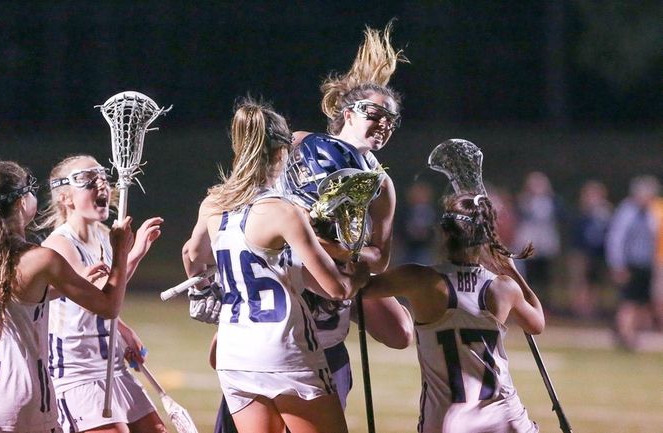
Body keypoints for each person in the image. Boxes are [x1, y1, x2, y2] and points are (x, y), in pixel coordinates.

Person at [183, 98, 369, 433]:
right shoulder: (284, 211)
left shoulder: (213, 203)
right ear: (283, 153)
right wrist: (360, 270)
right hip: (285, 351)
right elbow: (336, 289)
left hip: (234, 353)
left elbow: (191, 255)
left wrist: (203, 290)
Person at [283, 19, 413, 409]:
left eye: (391, 119)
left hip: (332, 286)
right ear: (349, 112)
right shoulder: (300, 143)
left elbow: (379, 256)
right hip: (282, 279)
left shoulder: (380, 183)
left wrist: (339, 249)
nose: (384, 124)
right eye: (375, 113)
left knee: (402, 332)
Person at [0, 160, 135, 433]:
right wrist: (120, 251)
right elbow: (109, 306)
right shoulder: (42, 259)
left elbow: (19, 298)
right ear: (23, 202)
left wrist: (71, 283)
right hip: (17, 403)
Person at [363, 193, 543, 433]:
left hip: (448, 420)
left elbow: (354, 287)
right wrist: (512, 271)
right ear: (486, 238)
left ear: (445, 233)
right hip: (505, 417)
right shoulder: (503, 288)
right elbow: (537, 323)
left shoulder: (419, 278)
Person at [38, 155, 167, 433]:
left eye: (102, 178)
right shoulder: (60, 245)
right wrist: (129, 254)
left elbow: (109, 293)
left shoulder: (104, 234)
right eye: (87, 180)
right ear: (65, 197)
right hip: (79, 373)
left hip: (111, 367)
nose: (101, 185)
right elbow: (97, 299)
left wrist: (120, 329)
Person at [605, 175, 660, 350]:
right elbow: (616, 239)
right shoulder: (628, 211)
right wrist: (618, 265)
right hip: (631, 264)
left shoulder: (652, 212)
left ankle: (632, 335)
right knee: (628, 302)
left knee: (642, 303)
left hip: (647, 264)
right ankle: (624, 336)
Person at [513, 171, 564, 311]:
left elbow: (559, 215)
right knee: (529, 276)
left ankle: (545, 305)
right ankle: (528, 304)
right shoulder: (524, 201)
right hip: (529, 243)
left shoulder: (552, 201)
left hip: (546, 244)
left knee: (545, 276)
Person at [567, 180, 613, 318]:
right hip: (581, 252)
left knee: (595, 282)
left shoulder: (605, 212)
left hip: (597, 253)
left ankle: (592, 308)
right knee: (580, 280)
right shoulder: (581, 212)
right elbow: (576, 233)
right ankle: (578, 309)